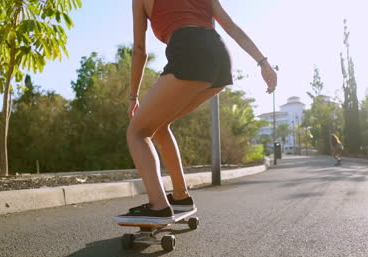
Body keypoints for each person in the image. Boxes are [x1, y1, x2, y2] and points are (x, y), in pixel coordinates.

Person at [116, 0, 277, 224]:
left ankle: (158, 206)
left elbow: (140, 50)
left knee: (137, 132)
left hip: (189, 52)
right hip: (219, 57)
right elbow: (232, 28)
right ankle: (181, 197)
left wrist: (133, 97)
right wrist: (263, 62)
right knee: (159, 126)